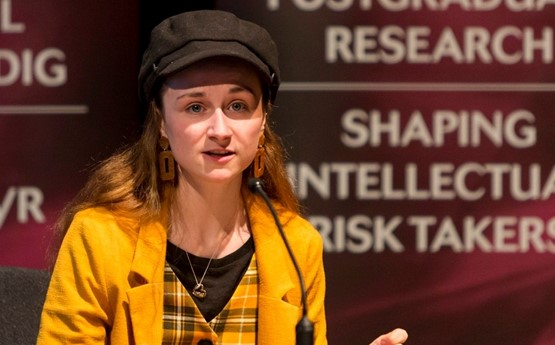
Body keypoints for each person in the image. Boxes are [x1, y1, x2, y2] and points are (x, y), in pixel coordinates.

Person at [36, 10, 408, 345]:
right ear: (162, 122)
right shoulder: (100, 238)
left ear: (262, 122)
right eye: (195, 107)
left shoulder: (297, 246)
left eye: (238, 106)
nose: (220, 129)